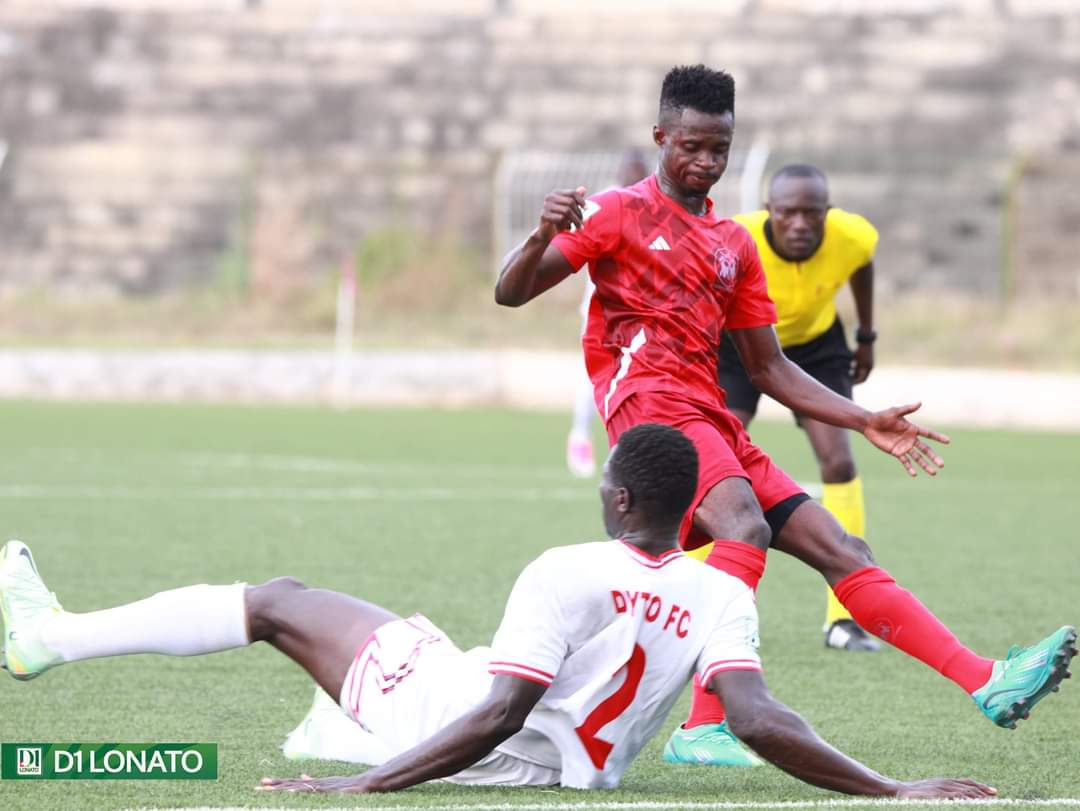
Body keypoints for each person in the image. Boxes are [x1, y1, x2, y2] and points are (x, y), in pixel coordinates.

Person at [493, 63, 1077, 768]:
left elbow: (768, 367)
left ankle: (985, 679)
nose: (706, 161)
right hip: (650, 406)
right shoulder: (618, 212)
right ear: (660, 138)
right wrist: (539, 234)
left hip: (710, 413)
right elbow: (510, 292)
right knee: (744, 526)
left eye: (719, 148)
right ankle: (705, 724)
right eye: (692, 146)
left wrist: (860, 418)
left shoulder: (735, 244)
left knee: (842, 548)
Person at [0, 424, 1003, 798]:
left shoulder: (564, 567)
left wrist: (366, 786)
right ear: (692, 510)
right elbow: (757, 718)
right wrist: (890, 788)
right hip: (563, 761)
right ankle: (55, 637)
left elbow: (497, 712)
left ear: (618, 496)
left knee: (277, 602)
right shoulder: (722, 589)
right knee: (342, 624)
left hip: (450, 719)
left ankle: (45, 639)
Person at [712, 164, 883, 652]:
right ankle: (700, 605)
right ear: (770, 210)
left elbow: (861, 264)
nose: (801, 223)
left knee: (839, 461)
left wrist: (865, 336)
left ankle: (844, 620)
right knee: (715, 462)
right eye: (788, 212)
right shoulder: (734, 236)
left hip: (815, 347)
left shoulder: (853, 235)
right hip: (739, 345)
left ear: (828, 212)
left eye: (813, 213)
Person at [567, 149, 651, 478]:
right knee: (595, 373)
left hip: (637, 309)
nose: (635, 176)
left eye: (640, 171)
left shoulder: (651, 206)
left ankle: (623, 448)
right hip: (601, 306)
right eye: (631, 170)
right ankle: (580, 435)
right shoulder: (606, 202)